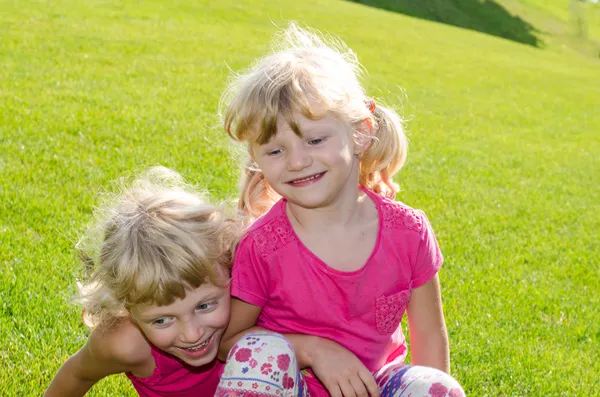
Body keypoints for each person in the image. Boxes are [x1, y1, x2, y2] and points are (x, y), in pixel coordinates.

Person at [216, 24, 465, 397]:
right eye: (275, 150)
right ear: (257, 158)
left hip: (376, 386)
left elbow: (429, 340)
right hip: (294, 387)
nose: (298, 162)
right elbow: (229, 342)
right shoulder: (263, 246)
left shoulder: (408, 232)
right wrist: (314, 350)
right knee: (259, 353)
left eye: (315, 140)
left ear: (361, 133)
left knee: (435, 387)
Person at [44, 167, 241, 397]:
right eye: (162, 320)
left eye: (204, 306)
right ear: (127, 308)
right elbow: (78, 374)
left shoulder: (250, 301)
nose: (192, 334)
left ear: (229, 267)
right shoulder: (125, 345)